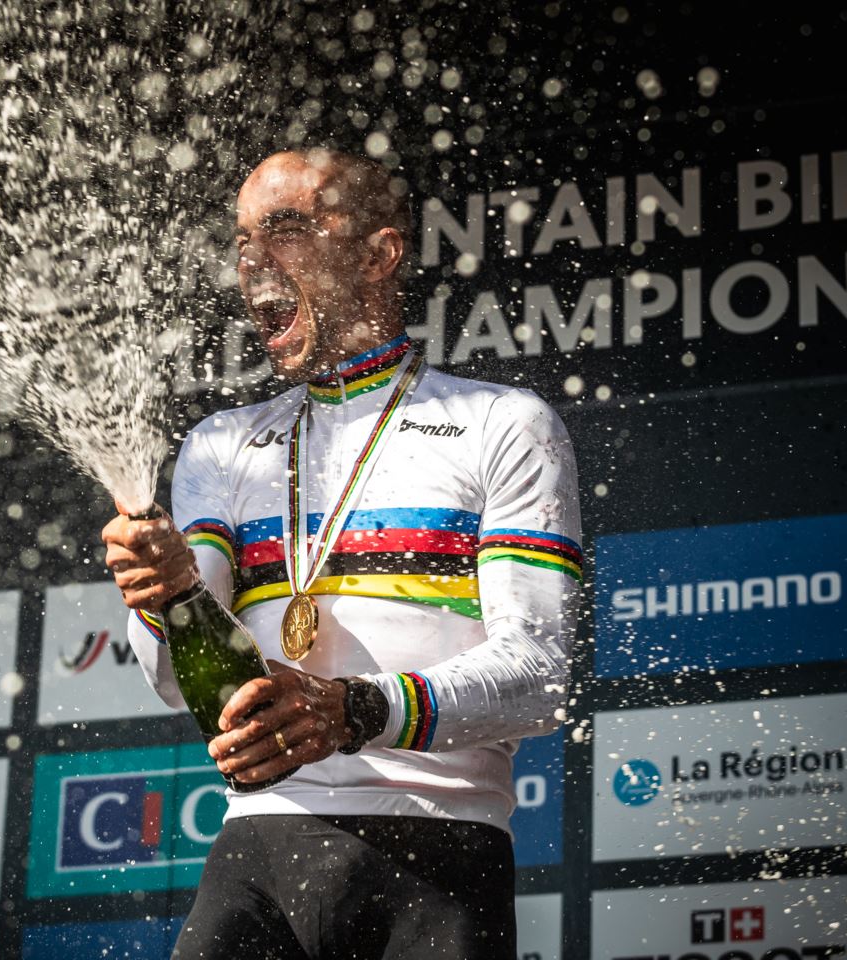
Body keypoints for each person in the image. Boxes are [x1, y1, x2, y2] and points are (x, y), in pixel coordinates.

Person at [101, 148, 582, 959]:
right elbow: (172, 679)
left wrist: (353, 709)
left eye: (285, 230)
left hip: (439, 848)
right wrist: (171, 596)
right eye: (243, 238)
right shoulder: (224, 446)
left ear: (377, 254)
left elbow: (541, 674)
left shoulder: (502, 423)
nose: (253, 259)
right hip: (257, 845)